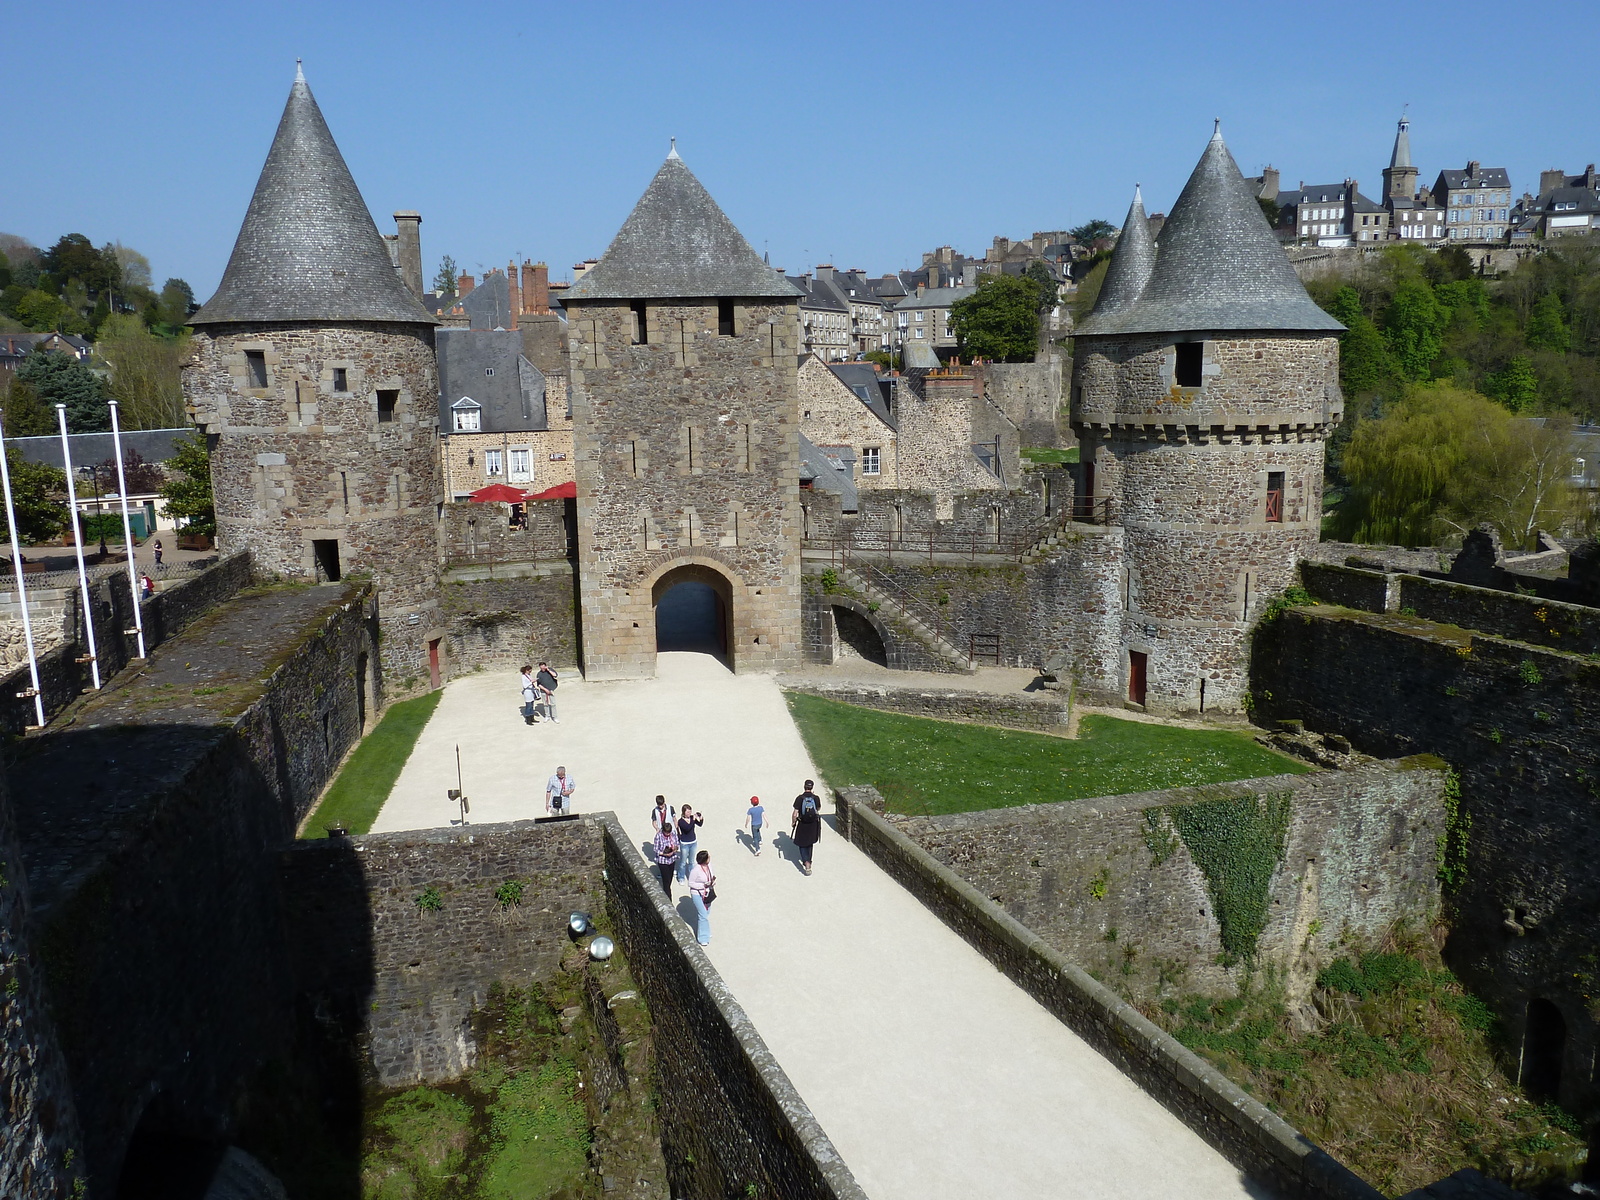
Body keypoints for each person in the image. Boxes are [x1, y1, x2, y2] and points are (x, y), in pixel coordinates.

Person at [792, 780, 822, 875]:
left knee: (802, 843)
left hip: (802, 823)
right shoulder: (816, 798)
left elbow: (795, 813)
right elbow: (818, 809)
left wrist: (793, 822)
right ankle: (809, 860)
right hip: (813, 824)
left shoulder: (800, 798)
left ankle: (806, 862)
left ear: (804, 786)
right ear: (812, 787)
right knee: (810, 842)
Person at [687, 849, 715, 945]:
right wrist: (703, 886)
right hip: (697, 894)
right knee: (703, 914)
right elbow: (690, 883)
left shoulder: (709, 866)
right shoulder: (696, 870)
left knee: (706, 913)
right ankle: (702, 937)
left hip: (707, 893)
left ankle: (706, 931)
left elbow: (711, 876)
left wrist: (712, 882)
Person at [675, 804, 704, 882]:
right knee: (683, 862)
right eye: (688, 812)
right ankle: (681, 877)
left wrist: (700, 818)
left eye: (690, 811)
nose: (689, 813)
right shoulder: (680, 821)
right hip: (684, 843)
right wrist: (693, 820)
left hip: (693, 842)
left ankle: (691, 876)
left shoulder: (692, 818)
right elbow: (687, 828)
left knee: (691, 862)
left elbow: (700, 824)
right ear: (684, 812)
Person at [652, 819, 680, 896]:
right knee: (666, 881)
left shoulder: (673, 834)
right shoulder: (658, 836)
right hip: (663, 861)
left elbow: (677, 843)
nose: (668, 835)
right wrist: (664, 854)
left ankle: (667, 891)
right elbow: (655, 849)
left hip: (672, 859)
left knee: (670, 878)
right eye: (666, 833)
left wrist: (675, 849)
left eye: (669, 833)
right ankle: (668, 898)